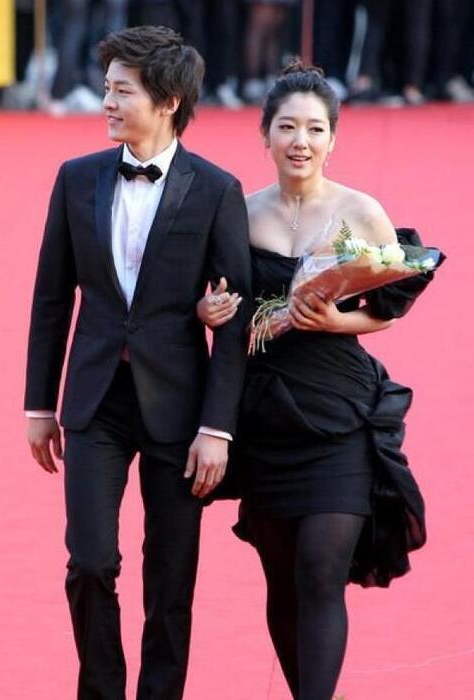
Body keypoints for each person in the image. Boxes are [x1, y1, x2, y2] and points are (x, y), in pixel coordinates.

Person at [24, 25, 252, 700]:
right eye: (107, 88)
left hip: (179, 409)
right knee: (90, 561)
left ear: (169, 101)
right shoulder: (76, 179)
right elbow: (50, 298)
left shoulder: (216, 190)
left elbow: (235, 321)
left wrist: (217, 427)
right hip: (94, 401)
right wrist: (39, 404)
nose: (107, 102)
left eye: (123, 91)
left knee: (171, 577)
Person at [198, 61, 433, 699]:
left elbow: (389, 308)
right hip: (264, 416)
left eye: (314, 129)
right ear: (264, 135)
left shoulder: (362, 212)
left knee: (320, 569)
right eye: (286, 127)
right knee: (282, 579)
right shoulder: (238, 214)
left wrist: (336, 320)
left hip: (339, 415)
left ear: (333, 139)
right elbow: (213, 296)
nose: (300, 141)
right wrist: (206, 309)